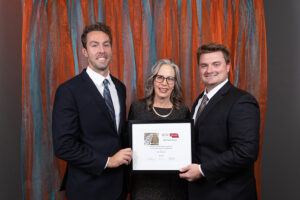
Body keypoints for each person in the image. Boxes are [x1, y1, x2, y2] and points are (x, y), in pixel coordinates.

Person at [52, 22, 132, 200]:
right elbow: (63, 146)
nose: (101, 50)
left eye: (106, 44)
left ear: (111, 48)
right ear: (85, 51)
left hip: (118, 188)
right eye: (94, 45)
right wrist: (108, 161)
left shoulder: (120, 87)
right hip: (87, 188)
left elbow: (116, 134)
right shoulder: (69, 91)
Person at [179, 43, 260, 200]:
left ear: (228, 66)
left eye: (216, 64)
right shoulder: (199, 101)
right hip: (201, 192)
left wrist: (202, 170)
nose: (209, 70)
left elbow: (246, 151)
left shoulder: (242, 101)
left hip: (230, 194)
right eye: (204, 65)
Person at [128, 59, 190, 200]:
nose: (164, 83)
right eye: (160, 77)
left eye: (170, 79)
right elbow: (129, 144)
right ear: (153, 79)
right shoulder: (137, 108)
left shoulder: (183, 110)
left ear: (175, 83)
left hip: (175, 187)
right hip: (143, 187)